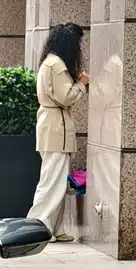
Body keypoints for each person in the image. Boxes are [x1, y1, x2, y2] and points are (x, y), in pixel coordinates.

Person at [27, 23, 89, 242]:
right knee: (52, 180)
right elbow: (66, 97)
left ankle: (54, 227)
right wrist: (81, 84)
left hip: (52, 126)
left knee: (57, 179)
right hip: (56, 129)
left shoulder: (50, 62)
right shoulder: (57, 65)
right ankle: (38, 224)